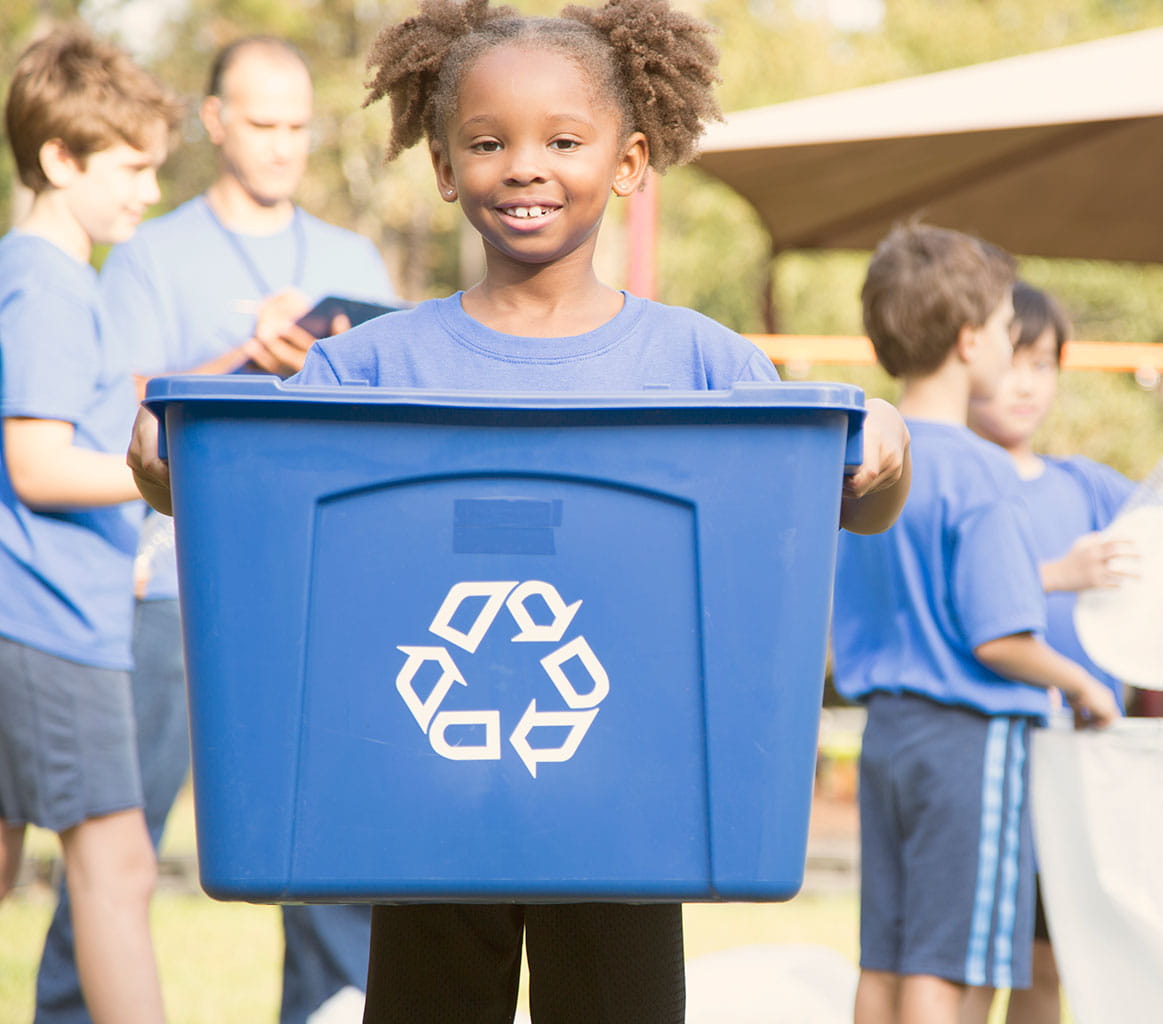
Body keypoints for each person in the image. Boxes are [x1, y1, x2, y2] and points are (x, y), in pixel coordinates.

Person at [127, 0, 911, 1020]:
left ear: (630, 162)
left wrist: (883, 442)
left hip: (634, 811)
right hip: (422, 810)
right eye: (489, 142)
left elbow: (851, 507)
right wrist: (158, 454)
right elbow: (234, 488)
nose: (525, 166)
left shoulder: (700, 364)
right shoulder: (371, 366)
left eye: (564, 141)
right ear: (447, 167)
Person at [34, 35, 395, 1024]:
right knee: (117, 849)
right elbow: (123, 417)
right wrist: (241, 360)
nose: (283, 147)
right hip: (167, 590)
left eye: (298, 127)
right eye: (263, 124)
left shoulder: (353, 260)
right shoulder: (149, 254)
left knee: (326, 864)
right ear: (217, 121)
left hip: (322, 595)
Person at [831, 223, 1120, 1024]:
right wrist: (1085, 686)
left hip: (887, 737)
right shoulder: (984, 472)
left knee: (884, 957)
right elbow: (998, 638)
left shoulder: (862, 463)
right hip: (971, 740)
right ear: (968, 342)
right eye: (1002, 327)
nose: (1006, 340)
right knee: (948, 965)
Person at [959, 281, 1163, 1024]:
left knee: (1049, 960)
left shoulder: (1084, 485)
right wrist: (1061, 574)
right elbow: (948, 601)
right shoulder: (954, 482)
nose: (1026, 384)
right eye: (1012, 362)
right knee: (973, 963)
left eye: (1044, 365)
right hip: (986, 758)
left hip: (1081, 769)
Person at [0, 27, 180, 1024]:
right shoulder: (48, 281)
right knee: (117, 868)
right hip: (47, 627)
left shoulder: (52, 276)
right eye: (134, 167)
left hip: (49, 612)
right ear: (61, 158)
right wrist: (167, 484)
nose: (149, 192)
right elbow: (36, 462)